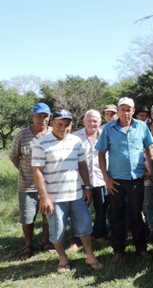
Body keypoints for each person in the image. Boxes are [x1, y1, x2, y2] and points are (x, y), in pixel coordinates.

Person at [32, 109, 103, 272]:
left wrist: (87, 187)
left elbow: (82, 165)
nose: (63, 127)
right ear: (52, 124)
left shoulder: (76, 141)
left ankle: (90, 256)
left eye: (67, 124)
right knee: (57, 230)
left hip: (76, 194)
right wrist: (44, 198)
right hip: (54, 197)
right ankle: (63, 259)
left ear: (71, 126)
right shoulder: (41, 143)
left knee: (85, 226)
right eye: (59, 124)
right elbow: (37, 172)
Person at [95, 97, 153, 262]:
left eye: (129, 109)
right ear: (118, 110)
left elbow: (148, 148)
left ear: (133, 111)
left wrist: (151, 168)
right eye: (122, 109)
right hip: (116, 181)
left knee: (136, 215)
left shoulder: (141, 126)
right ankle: (118, 250)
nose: (125, 113)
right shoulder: (108, 129)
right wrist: (106, 178)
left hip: (136, 179)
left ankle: (141, 248)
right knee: (116, 216)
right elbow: (100, 154)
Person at [9, 102, 54, 260]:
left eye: (45, 116)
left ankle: (46, 242)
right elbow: (14, 157)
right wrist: (26, 172)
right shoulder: (22, 135)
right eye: (38, 116)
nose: (42, 119)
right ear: (32, 117)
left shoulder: (53, 134)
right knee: (27, 216)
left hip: (50, 184)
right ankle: (28, 245)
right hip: (27, 184)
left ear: (49, 117)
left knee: (47, 214)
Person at [73, 110, 109, 245]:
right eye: (89, 120)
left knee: (101, 209)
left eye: (95, 121)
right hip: (81, 181)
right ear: (84, 122)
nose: (92, 123)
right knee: (80, 211)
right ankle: (77, 239)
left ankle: (99, 235)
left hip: (101, 179)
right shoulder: (75, 137)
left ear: (100, 122)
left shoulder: (105, 135)